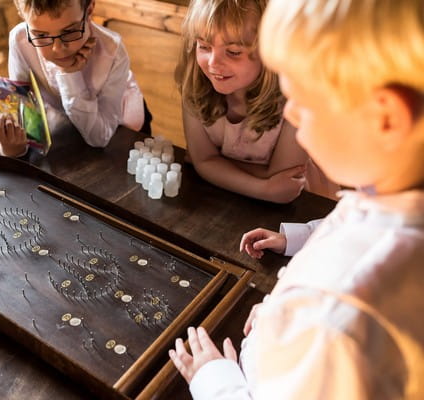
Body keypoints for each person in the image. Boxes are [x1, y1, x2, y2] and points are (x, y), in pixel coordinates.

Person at [169, 0, 424, 398]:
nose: (297, 123)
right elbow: (348, 221)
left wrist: (213, 377)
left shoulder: (339, 316)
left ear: (385, 117)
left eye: (304, 103)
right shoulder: (387, 191)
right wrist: (295, 244)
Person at [175, 0, 317, 204]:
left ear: (270, 49)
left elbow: (286, 182)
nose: (213, 63)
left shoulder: (298, 100)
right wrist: (265, 188)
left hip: (304, 207)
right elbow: (204, 162)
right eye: (204, 46)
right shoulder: (195, 87)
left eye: (233, 52)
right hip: (230, 201)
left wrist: (214, 164)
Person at [0, 0, 152, 157]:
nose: (58, 49)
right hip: (68, 120)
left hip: (120, 120)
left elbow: (99, 137)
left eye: (69, 32)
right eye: (41, 35)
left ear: (89, 10)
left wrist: (69, 74)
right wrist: (15, 149)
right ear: (22, 16)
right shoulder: (20, 40)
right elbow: (24, 108)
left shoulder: (112, 51)